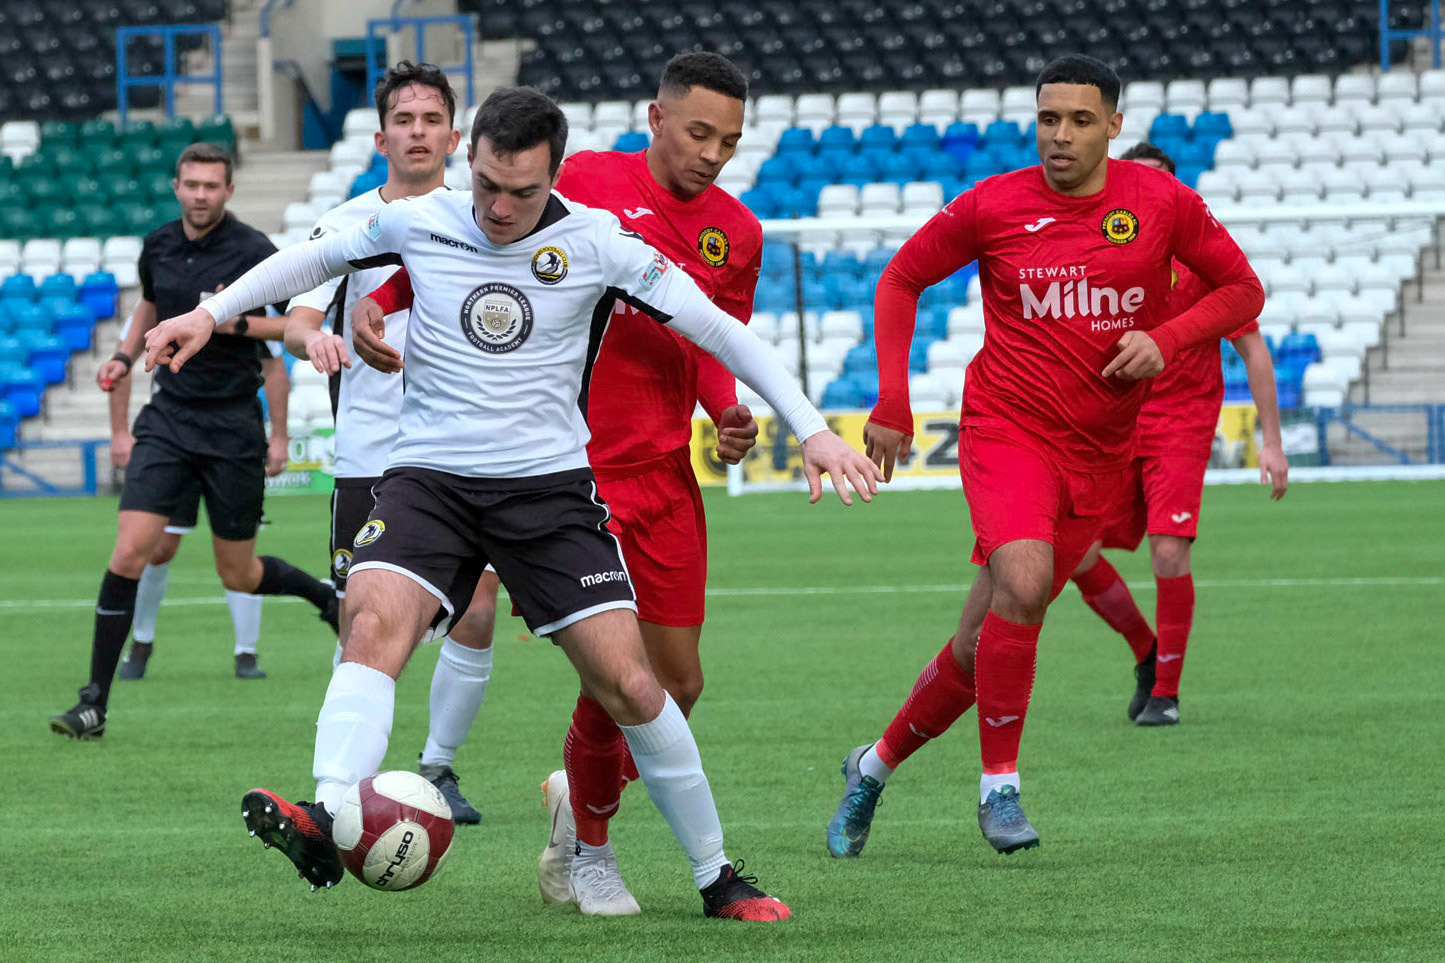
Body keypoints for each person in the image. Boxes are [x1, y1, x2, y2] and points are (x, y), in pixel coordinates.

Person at [143, 86, 882, 920]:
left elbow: (720, 330)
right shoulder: (421, 218)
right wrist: (209, 313)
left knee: (634, 685)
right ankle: (326, 812)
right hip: (428, 482)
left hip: (548, 494)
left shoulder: (600, 243)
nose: (499, 207)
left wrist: (813, 429)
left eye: (521, 191)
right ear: (470, 162)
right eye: (487, 183)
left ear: (554, 175)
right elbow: (312, 261)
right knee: (371, 621)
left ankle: (716, 875)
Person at [823, 55, 1265, 859]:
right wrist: (891, 401)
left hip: (1098, 454)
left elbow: (1241, 291)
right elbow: (901, 277)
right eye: (1047, 118)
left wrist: (1165, 338)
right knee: (1023, 582)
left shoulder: (1161, 203)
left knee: (975, 643)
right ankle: (999, 788)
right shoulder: (993, 204)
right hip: (1006, 430)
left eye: (1079, 120)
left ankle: (873, 766)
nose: (1059, 135)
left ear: (1113, 128)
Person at [357, 51, 763, 915]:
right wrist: (383, 299)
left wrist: (726, 412)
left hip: (664, 468)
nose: (711, 153)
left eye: (728, 140)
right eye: (697, 132)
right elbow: (463, 242)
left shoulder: (740, 230)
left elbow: (715, 336)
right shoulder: (577, 178)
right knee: (611, 672)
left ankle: (577, 814)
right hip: (569, 466)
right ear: (656, 119)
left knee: (677, 683)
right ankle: (590, 848)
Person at [49, 143, 339, 740]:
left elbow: (293, 325)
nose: (200, 194)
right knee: (131, 550)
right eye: (191, 184)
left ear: (228, 190)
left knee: (239, 573)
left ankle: (324, 598)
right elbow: (150, 306)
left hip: (232, 426)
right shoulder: (157, 244)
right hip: (169, 418)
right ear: (177, 186)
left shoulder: (254, 250)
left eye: (212, 185)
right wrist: (126, 355)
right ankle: (93, 703)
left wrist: (224, 319)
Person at [282, 61, 488, 823]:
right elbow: (300, 316)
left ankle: (439, 766)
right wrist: (316, 344)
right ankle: (338, 796)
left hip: (468, 450)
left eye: (431, 119)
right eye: (404, 120)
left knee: (477, 609)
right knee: (364, 628)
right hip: (370, 456)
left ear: (454, 136)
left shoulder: (481, 217)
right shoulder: (342, 224)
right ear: (380, 137)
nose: (418, 132)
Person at [1070, 141, 1289, 727]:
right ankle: (1145, 648)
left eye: (1158, 181)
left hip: (1181, 424)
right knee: (1073, 551)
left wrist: (1271, 440)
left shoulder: (1202, 263)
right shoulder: (1100, 258)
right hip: (1113, 424)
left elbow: (1253, 350)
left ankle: (1165, 691)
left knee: (1168, 551)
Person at [106, 314, 291, 681]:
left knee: (239, 555)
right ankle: (141, 642)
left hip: (232, 439)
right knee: (157, 548)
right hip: (175, 439)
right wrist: (119, 432)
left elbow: (273, 369)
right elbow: (121, 362)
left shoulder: (244, 311)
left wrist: (280, 435)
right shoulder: (160, 297)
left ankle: (246, 652)